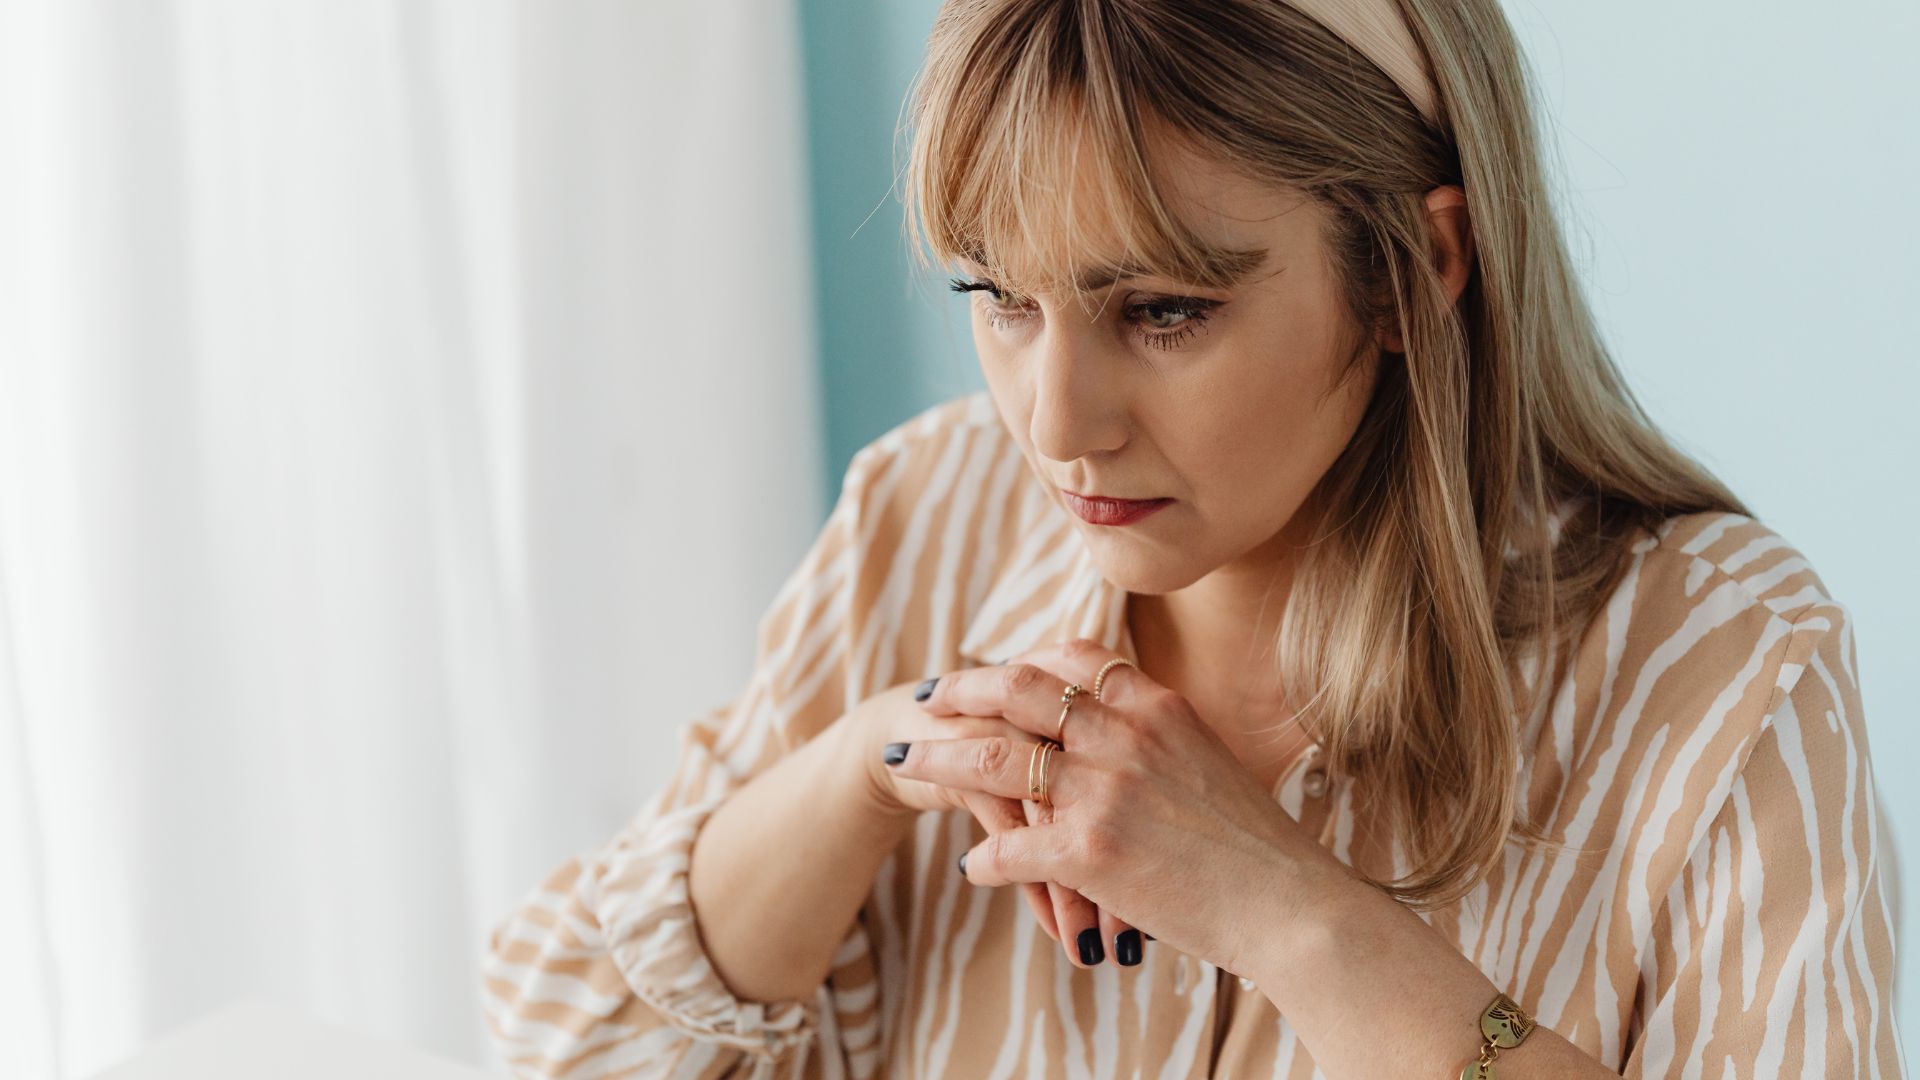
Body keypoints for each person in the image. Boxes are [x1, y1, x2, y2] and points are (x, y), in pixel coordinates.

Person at [479, 0, 1905, 1076]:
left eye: (1162, 311)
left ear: (1421, 270)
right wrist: (875, 763)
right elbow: (562, 1039)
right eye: (999, 296)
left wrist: (1286, 911)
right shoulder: (928, 516)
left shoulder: (1720, 665)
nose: (1058, 423)